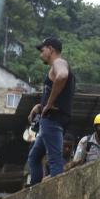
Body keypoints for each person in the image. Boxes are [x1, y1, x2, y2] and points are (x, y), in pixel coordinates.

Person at [26, 37, 75, 185]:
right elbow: (61, 93)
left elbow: (62, 76)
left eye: (42, 50)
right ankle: (33, 190)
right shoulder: (56, 66)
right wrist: (40, 106)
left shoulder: (59, 63)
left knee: (54, 160)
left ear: (51, 49)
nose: (41, 54)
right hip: (51, 120)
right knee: (34, 157)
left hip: (52, 120)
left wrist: (49, 103)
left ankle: (56, 197)